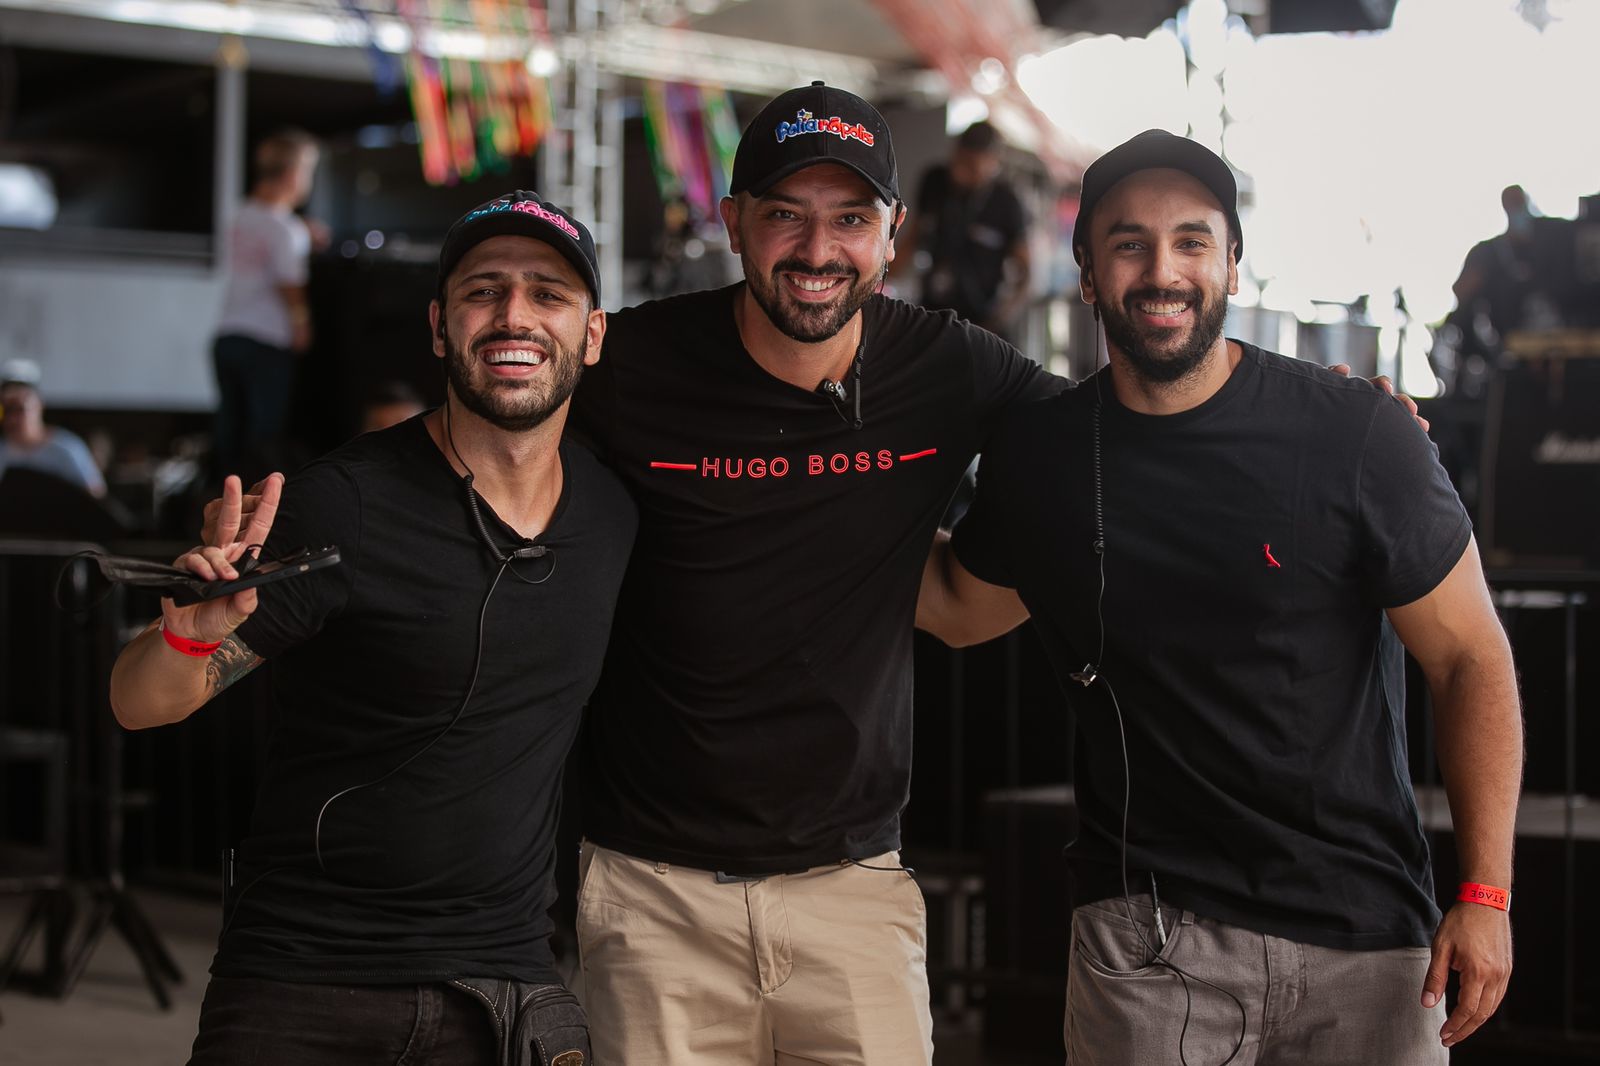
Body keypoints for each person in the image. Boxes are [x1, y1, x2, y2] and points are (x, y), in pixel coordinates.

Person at [917, 130, 1522, 1064]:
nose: (1163, 271)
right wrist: (816, 505)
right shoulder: (1044, 458)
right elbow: (960, 605)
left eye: (1193, 242)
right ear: (1085, 273)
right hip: (1151, 949)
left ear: (1233, 265)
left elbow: (1471, 656)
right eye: (1129, 244)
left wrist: (1485, 894)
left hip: (1365, 945)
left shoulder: (1356, 433)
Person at [565, 81, 1063, 1064]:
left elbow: (1124, 439)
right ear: (734, 223)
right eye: (785, 215)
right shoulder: (629, 361)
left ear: (891, 233)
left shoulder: (950, 368)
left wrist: (1325, 413)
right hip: (649, 890)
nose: (816, 249)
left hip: (853, 887)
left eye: (849, 219)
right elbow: (475, 437)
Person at [110, 190, 636, 1065]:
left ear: (592, 335)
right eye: (483, 291)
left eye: (548, 293)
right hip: (303, 985)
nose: (514, 315)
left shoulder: (614, 517)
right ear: (439, 326)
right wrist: (198, 631)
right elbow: (139, 702)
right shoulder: (340, 503)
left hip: (506, 991)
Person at [212, 129, 320, 481]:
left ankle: (217, 505)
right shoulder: (287, 229)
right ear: (293, 174)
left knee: (230, 434)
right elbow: (290, 283)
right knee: (264, 437)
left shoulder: (241, 215)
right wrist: (302, 323)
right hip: (266, 339)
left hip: (228, 334)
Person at [904, 120, 1033, 338]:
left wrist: (1001, 316)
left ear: (993, 163)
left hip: (982, 319)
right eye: (959, 161)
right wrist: (880, 284)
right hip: (934, 313)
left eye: (972, 166)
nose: (961, 172)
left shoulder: (1007, 201)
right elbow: (912, 239)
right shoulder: (935, 182)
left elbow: (1026, 271)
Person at [0, 358, 106, 497]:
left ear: (38, 405)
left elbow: (95, 495)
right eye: (6, 410)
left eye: (19, 409)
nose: (12, 419)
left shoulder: (65, 450)